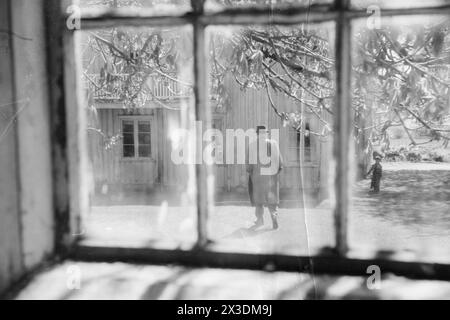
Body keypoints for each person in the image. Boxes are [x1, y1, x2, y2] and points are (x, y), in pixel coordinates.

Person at [246, 126, 283, 229]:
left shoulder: (252, 145)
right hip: (271, 177)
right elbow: (280, 163)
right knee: (272, 199)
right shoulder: (274, 144)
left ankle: (260, 219)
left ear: (257, 134)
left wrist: (250, 172)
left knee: (259, 200)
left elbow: (249, 166)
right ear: (266, 133)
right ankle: (274, 215)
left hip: (258, 178)